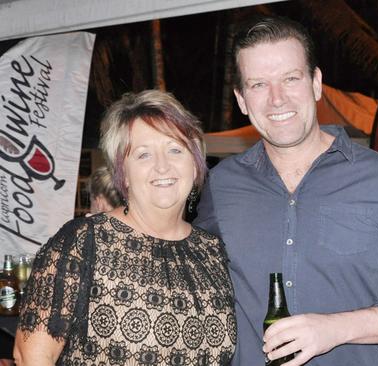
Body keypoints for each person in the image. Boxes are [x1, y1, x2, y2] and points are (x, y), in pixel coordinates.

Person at [194, 16, 378, 365]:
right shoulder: (220, 185)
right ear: (242, 100)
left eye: (290, 79)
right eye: (258, 84)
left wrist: (335, 329)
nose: (277, 99)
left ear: (316, 83)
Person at [13, 90, 236, 365]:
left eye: (175, 150)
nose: (162, 166)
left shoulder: (212, 251)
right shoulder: (84, 243)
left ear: (195, 164)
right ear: (123, 174)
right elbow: (31, 357)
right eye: (143, 155)